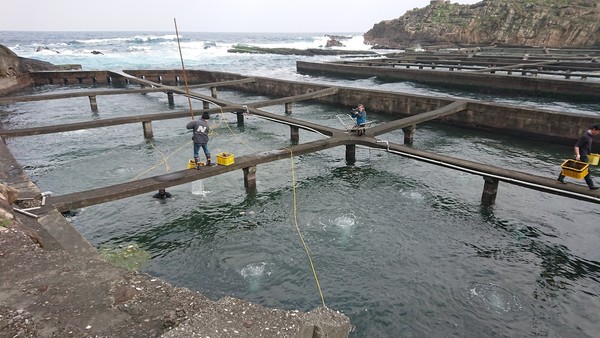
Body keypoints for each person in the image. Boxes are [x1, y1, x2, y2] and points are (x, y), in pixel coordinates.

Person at [557, 125, 600, 190]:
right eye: (598, 132)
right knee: (586, 171)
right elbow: (577, 146)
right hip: (582, 156)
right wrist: (578, 155)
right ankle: (591, 186)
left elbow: (585, 146)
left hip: (585, 155)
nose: (598, 133)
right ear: (594, 129)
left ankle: (560, 178)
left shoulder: (589, 136)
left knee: (570, 166)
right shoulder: (585, 136)